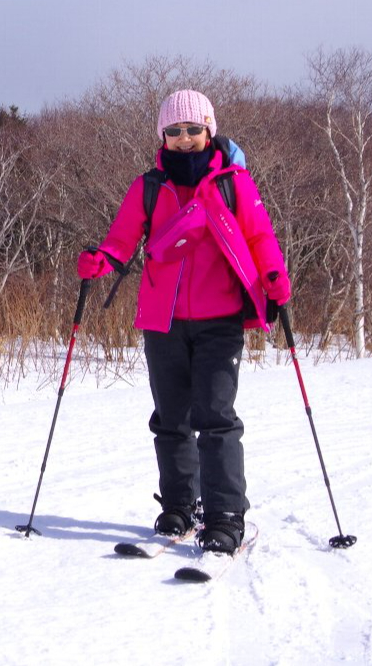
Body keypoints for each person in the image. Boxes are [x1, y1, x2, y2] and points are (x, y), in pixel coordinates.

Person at [77, 89, 291, 553]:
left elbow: (260, 236)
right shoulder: (149, 187)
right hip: (163, 320)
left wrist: (275, 276)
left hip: (221, 318)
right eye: (174, 131)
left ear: (209, 130)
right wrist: (100, 260)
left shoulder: (233, 183)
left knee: (216, 418)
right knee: (171, 418)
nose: (185, 138)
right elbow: (121, 240)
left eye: (194, 129)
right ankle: (178, 505)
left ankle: (225, 515)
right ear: (163, 136)